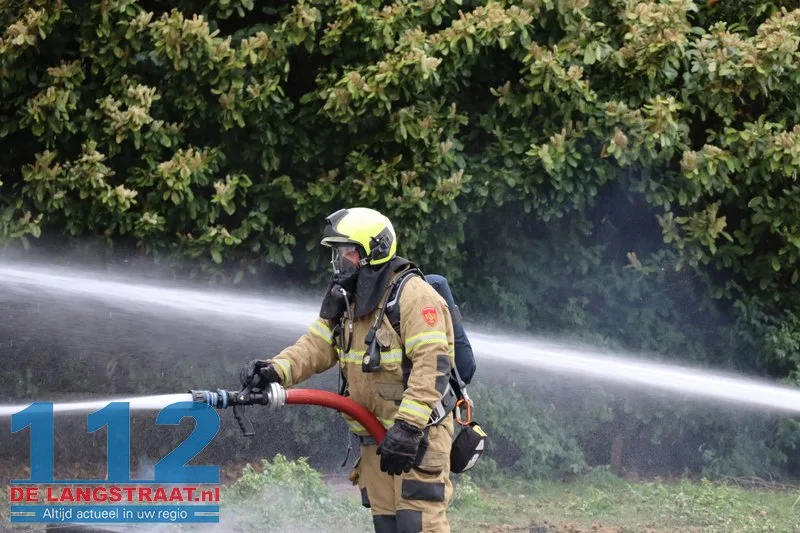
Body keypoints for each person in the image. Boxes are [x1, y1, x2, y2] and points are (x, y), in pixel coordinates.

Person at [240, 207, 456, 533]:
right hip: (376, 437)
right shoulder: (349, 300)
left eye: (348, 252)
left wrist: (408, 428)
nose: (340, 261)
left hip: (417, 437)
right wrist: (275, 370)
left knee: (419, 524)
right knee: (387, 523)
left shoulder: (413, 295)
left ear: (375, 250)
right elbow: (315, 345)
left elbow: (432, 366)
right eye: (337, 253)